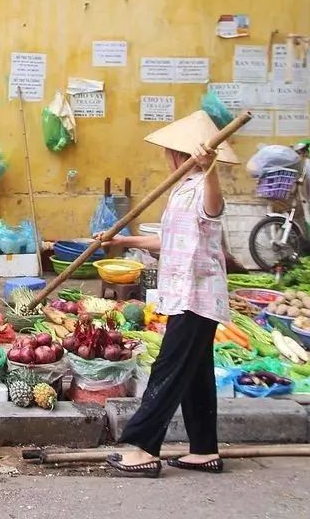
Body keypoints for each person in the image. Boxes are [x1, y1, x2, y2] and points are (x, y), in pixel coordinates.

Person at [97, 111, 239, 478]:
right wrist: (123, 239)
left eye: (168, 152)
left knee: (168, 369)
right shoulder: (181, 188)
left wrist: (212, 171)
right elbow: (169, 239)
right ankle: (204, 449)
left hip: (198, 295)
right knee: (196, 374)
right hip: (181, 292)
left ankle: (143, 448)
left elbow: (214, 210)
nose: (166, 157)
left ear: (181, 154)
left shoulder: (203, 186)